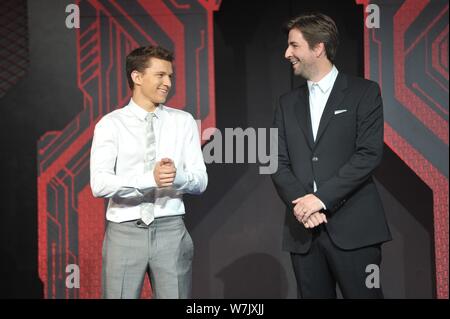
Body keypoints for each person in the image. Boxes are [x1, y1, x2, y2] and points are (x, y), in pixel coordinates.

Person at [271, 13, 391, 298]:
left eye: (294, 45)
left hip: (355, 230)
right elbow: (276, 161)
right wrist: (303, 206)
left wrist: (320, 199)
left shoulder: (364, 92)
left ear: (319, 47)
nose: (287, 53)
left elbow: (369, 154)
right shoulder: (287, 103)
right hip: (304, 233)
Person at [90, 45, 207, 299]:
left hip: (171, 230)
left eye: (170, 77)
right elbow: (99, 183)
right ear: (137, 77)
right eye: (160, 75)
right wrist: (149, 180)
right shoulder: (111, 124)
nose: (167, 83)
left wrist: (177, 177)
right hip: (124, 232)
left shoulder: (183, 121)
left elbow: (200, 181)